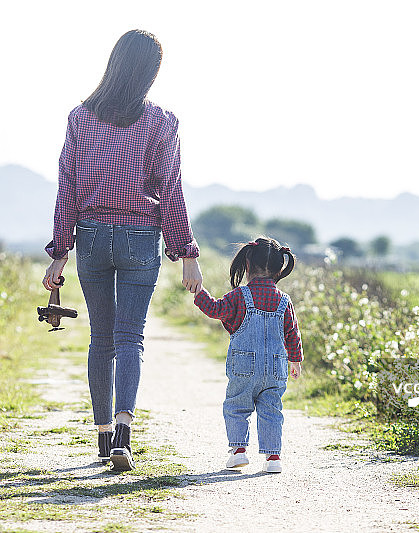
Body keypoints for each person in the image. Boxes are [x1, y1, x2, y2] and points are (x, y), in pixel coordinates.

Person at [42, 29, 202, 472]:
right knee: (131, 337)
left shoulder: (79, 118)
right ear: (150, 73)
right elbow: (170, 190)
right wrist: (186, 251)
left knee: (102, 338)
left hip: (91, 236)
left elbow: (67, 186)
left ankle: (100, 436)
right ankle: (124, 432)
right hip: (139, 238)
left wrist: (60, 251)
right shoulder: (161, 122)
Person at [192, 237, 303, 473]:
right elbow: (292, 332)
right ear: (279, 269)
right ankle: (273, 458)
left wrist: (199, 291)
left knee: (236, 406)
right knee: (272, 410)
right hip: (276, 367)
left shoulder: (239, 296)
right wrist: (295, 360)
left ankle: (239, 452)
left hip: (244, 366)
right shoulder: (284, 300)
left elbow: (214, 309)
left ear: (248, 264)